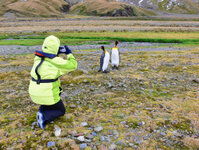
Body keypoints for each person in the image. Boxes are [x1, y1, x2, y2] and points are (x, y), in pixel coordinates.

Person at [28, 35, 77, 129]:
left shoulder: (37, 58)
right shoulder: (57, 62)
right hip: (48, 95)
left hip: (33, 94)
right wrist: (69, 53)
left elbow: (47, 59)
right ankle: (44, 117)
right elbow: (73, 65)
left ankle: (41, 111)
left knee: (46, 99)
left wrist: (54, 53)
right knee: (61, 110)